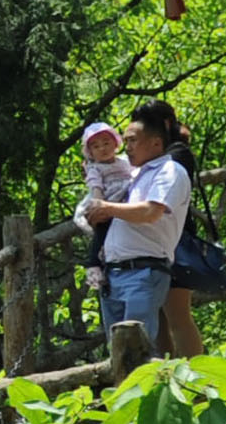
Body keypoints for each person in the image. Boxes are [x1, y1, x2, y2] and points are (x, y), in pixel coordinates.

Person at [79, 101, 195, 359]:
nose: (126, 147)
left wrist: (107, 208)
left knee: (136, 351)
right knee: (120, 353)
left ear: (155, 143)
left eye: (131, 141)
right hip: (115, 273)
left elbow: (150, 212)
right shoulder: (135, 174)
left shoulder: (170, 170)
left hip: (144, 270)